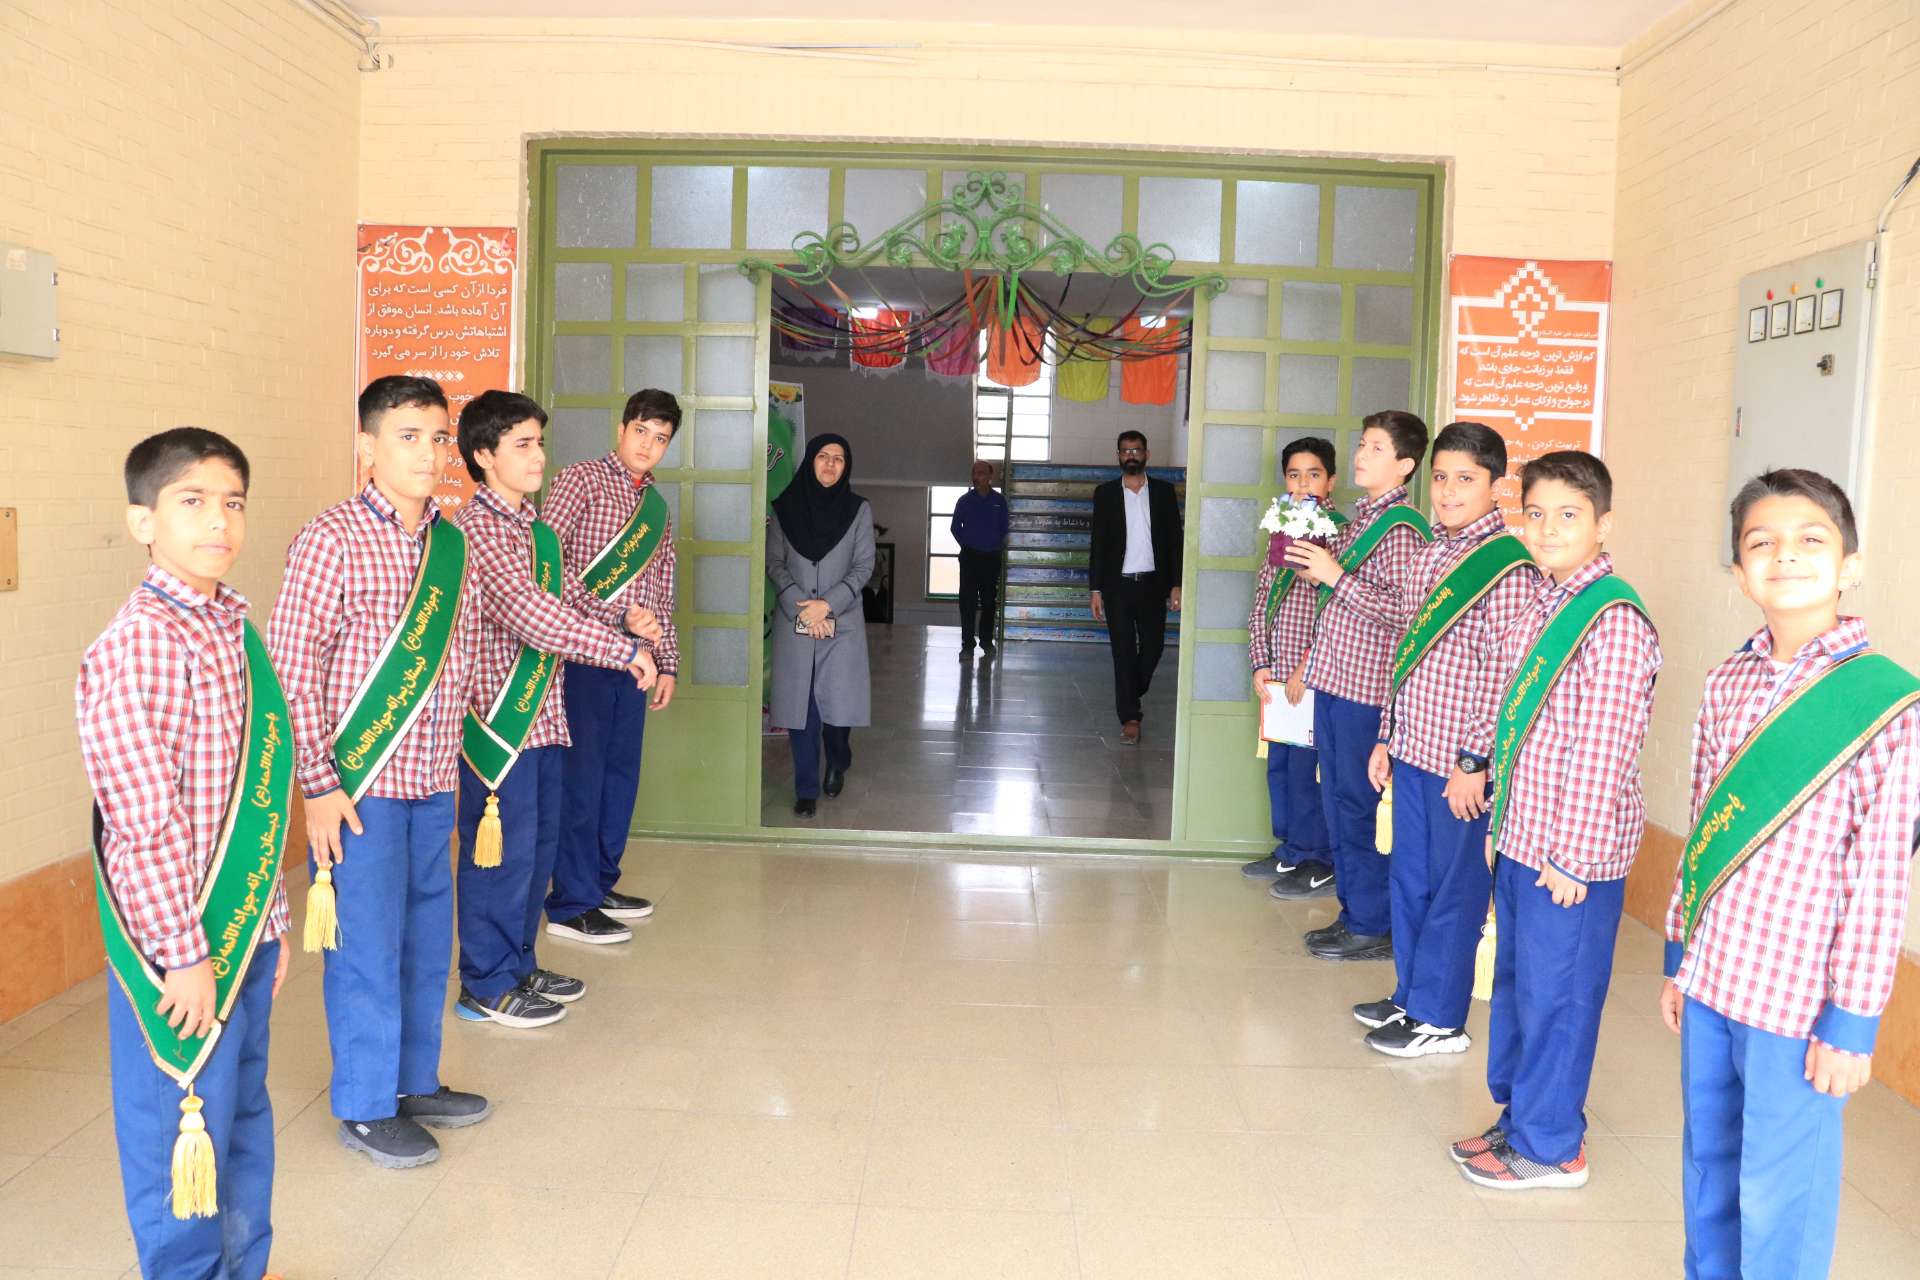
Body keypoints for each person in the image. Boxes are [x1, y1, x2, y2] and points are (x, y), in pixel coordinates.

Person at [1660, 469, 1916, 1274]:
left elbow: (1881, 881)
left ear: (1850, 565)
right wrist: (1679, 956)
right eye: (1761, 542)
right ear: (1741, 573)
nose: (1786, 556)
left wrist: (1853, 1022)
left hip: (1798, 1001)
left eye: (1811, 540)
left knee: (1782, 1194)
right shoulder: (1727, 680)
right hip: (1713, 981)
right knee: (1708, 1169)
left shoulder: (1889, 705)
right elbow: (1704, 827)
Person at [78, 428, 291, 1278]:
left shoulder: (231, 626)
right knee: (180, 1129)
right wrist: (186, 953)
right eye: (192, 501)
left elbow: (259, 790)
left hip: (242, 932)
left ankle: (245, 1266)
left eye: (233, 502)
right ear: (144, 522)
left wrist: (270, 921)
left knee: (241, 1118)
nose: (218, 521)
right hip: (182, 950)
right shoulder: (140, 644)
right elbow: (144, 823)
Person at [268, 375, 491, 1169]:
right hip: (359, 790)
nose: (429, 453)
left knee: (427, 940)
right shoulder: (330, 539)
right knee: (365, 946)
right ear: (367, 446)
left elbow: (462, 652)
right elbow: (292, 671)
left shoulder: (452, 544)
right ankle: (365, 1106)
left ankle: (412, 1081)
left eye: (438, 437)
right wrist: (318, 785)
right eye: (408, 436)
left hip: (433, 779)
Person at [1453, 450, 1660, 1191]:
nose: (1548, 529)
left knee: (1559, 998)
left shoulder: (1613, 621)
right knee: (1519, 989)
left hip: (1569, 858)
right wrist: (1500, 827)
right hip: (1523, 837)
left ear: (1603, 524)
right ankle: (1521, 1118)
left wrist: (1571, 855)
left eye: (1568, 515)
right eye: (1535, 514)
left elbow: (1604, 750)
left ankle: (1552, 1147)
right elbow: (1514, 720)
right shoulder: (1541, 600)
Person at [451, 390, 663, 1029]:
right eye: (522, 444)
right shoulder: (476, 529)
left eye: (539, 442)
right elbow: (532, 614)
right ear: (484, 455)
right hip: (498, 726)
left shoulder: (535, 531)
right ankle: (484, 983)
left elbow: (572, 599)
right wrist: (622, 649)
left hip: (544, 719)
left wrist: (625, 623)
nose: (538, 456)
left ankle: (519, 965)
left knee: (536, 852)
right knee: (500, 858)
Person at [1354, 422, 1539, 1056]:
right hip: (1413, 748)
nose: (1449, 491)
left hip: (1459, 763)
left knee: (1453, 891)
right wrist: (1386, 734)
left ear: (1495, 486)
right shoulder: (1431, 551)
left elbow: (1505, 675)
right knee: (1410, 881)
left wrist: (1474, 760)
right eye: (1440, 477)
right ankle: (1411, 995)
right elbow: (1403, 654)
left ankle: (1440, 1017)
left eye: (1465, 479)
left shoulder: (1508, 568)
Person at [1280, 410, 1430, 960]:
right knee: (1338, 803)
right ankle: (1354, 912)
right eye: (1362, 444)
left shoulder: (1403, 530)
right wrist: (1316, 572)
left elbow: (1405, 615)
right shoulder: (1361, 521)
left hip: (1367, 694)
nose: (1362, 455)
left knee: (1360, 807)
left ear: (1405, 465)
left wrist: (1335, 576)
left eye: (1376, 448)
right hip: (1335, 681)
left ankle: (1373, 922)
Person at [541, 388, 681, 945]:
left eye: (661, 438)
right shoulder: (579, 481)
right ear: (621, 430)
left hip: (636, 665)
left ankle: (598, 884)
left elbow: (662, 590)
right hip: (582, 657)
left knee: (619, 780)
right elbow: (547, 566)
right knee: (583, 780)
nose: (648, 445)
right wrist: (616, 615)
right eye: (641, 431)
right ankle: (570, 902)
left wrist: (667, 661)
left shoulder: (657, 510)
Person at [1243, 436, 1339, 881]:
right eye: (1294, 475)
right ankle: (1289, 848)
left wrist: (1307, 667)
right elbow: (1262, 600)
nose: (1303, 485)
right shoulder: (1280, 532)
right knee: (1280, 767)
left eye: (1313, 475)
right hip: (1277, 676)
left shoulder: (1339, 535)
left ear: (1330, 481)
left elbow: (1339, 614)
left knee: (1308, 772)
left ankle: (1316, 856)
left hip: (1313, 677)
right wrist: (1260, 663)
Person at [767, 434, 875, 818]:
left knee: (837, 709)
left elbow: (863, 565)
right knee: (803, 709)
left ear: (847, 466)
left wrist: (826, 605)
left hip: (841, 622)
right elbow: (774, 563)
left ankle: (839, 759)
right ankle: (806, 788)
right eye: (823, 457)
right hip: (796, 619)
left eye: (839, 459)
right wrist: (803, 607)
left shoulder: (858, 510)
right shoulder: (784, 509)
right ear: (810, 460)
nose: (830, 465)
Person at [1088, 430, 1183, 745]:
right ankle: (1130, 717)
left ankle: (1131, 689)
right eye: (1125, 451)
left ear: (1146, 454)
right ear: (1118, 456)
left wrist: (1176, 584)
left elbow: (1175, 541)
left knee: (1154, 647)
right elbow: (1098, 544)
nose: (1131, 456)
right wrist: (1095, 589)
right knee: (1123, 652)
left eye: (1136, 450)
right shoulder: (1105, 494)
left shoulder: (1163, 492)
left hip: (1153, 585)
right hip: (1118, 587)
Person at [950, 459, 1009, 657]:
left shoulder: (999, 501)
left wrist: (995, 546)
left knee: (989, 602)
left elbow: (1004, 528)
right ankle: (967, 645)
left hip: (991, 558)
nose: (976, 477)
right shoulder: (964, 501)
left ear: (990, 476)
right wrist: (967, 544)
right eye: (974, 473)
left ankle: (986, 641)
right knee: (967, 602)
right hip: (970, 558)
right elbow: (955, 527)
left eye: (981, 473)